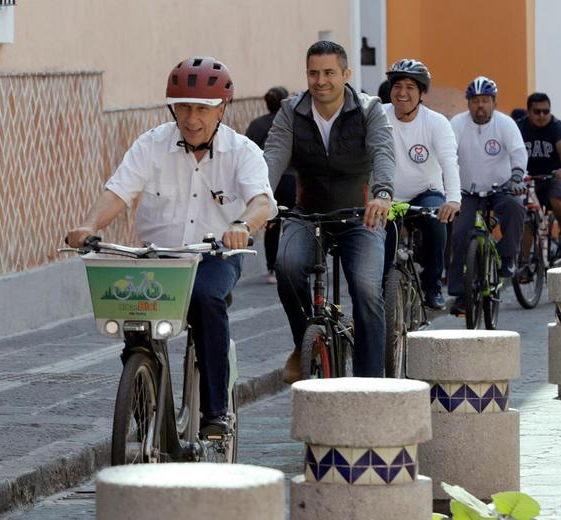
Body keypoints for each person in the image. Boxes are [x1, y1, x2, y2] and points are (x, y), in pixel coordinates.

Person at [66, 57, 276, 437]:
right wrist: (88, 226)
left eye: (201, 108)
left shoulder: (242, 151)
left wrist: (242, 225)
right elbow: (118, 191)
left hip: (213, 255)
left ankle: (215, 414)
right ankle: (144, 393)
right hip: (158, 258)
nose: (191, 118)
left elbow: (262, 201)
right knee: (131, 313)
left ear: (221, 108)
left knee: (206, 300)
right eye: (183, 107)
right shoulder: (152, 145)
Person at [263, 40, 395, 383]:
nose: (320, 81)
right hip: (308, 213)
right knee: (286, 267)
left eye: (329, 73)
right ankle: (303, 340)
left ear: (346, 74)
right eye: (313, 73)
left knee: (366, 289)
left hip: (360, 214)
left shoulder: (369, 109)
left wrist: (382, 194)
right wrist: (259, 197)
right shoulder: (291, 111)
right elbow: (273, 158)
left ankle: (371, 384)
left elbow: (383, 153)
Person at [382, 59, 460, 309]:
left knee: (437, 223)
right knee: (379, 243)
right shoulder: (377, 116)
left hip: (425, 192)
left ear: (421, 93)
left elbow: (449, 162)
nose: (402, 93)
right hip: (387, 196)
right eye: (397, 86)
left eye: (410, 87)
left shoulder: (436, 122)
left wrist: (453, 199)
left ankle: (432, 284)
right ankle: (381, 289)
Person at [448, 76, 527, 316]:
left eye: (484, 100)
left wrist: (516, 178)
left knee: (515, 208)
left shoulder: (505, 124)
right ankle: (460, 294)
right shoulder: (457, 123)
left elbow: (518, 153)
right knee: (460, 232)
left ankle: (508, 257)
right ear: (468, 103)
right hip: (467, 191)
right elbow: (447, 152)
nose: (479, 106)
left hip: (501, 188)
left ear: (493, 102)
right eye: (474, 101)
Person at [516, 92, 561, 260]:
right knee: (526, 215)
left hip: (554, 177)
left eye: (546, 111)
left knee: (556, 197)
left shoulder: (557, 126)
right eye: (537, 111)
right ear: (528, 111)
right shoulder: (519, 127)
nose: (542, 115)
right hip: (528, 179)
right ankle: (524, 262)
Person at [245, 86, 292, 284]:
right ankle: (291, 266)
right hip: (291, 180)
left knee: (272, 225)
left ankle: (272, 269)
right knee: (293, 224)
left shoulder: (256, 125)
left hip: (266, 181)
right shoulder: (291, 123)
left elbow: (248, 153)